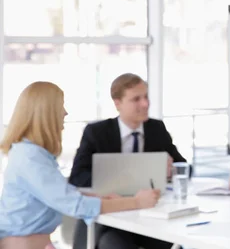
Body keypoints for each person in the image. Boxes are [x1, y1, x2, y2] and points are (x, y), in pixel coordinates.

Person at [0, 82, 160, 249]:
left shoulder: (32, 154)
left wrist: (97, 196)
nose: (65, 112)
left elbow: (59, 193)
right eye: (60, 106)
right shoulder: (30, 158)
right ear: (46, 113)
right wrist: (137, 202)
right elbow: (77, 206)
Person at [68, 73, 189, 249]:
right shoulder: (97, 132)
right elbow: (77, 177)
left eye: (146, 97)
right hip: (111, 218)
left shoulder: (157, 129)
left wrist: (171, 172)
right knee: (114, 244)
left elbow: (185, 167)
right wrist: (115, 184)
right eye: (136, 99)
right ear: (118, 103)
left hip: (150, 216)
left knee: (176, 242)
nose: (145, 104)